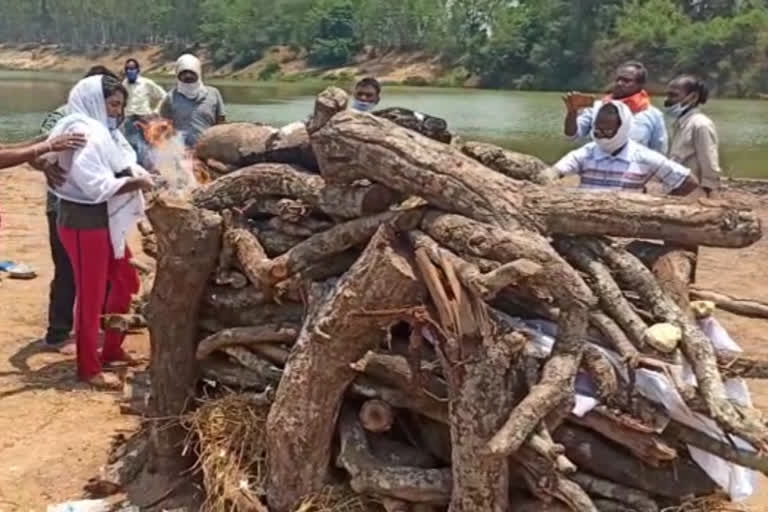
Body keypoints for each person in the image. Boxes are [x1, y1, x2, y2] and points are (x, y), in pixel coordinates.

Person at [46, 74, 154, 389]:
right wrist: (140, 183)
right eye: (113, 104)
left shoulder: (101, 129)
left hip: (104, 220)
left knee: (125, 279)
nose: (117, 112)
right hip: (83, 221)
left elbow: (120, 162)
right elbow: (95, 186)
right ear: (95, 100)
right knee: (91, 295)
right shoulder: (83, 131)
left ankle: (111, 348)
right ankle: (88, 367)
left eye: (121, 106)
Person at [35, 65, 120, 351]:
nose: (114, 108)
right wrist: (46, 164)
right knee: (67, 270)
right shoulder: (63, 117)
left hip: (101, 206)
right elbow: (38, 150)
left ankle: (96, 327)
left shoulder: (110, 118)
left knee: (105, 270)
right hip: (63, 207)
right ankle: (58, 332)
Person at [553, 101, 698, 196]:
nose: (601, 136)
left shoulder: (643, 156)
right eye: (598, 130)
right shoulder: (585, 153)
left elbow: (688, 181)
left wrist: (661, 206)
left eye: (608, 131)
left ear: (622, 129)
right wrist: (549, 175)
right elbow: (557, 171)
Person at [563, 61, 667, 153]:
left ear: (640, 85)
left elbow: (659, 151)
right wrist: (572, 112)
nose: (619, 83)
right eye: (618, 79)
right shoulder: (597, 107)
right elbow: (572, 135)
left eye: (626, 81)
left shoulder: (653, 114)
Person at [665, 75, 721, 197]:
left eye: (674, 95)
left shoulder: (700, 124)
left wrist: (710, 193)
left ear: (693, 97)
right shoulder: (679, 124)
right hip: (676, 191)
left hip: (694, 194)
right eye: (668, 95)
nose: (668, 100)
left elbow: (709, 164)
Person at [159, 54, 225, 147]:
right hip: (181, 150)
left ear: (198, 72)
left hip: (209, 148)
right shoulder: (170, 97)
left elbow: (221, 122)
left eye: (191, 72)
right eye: (184, 72)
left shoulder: (213, 94)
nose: (188, 76)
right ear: (178, 74)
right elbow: (164, 125)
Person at [122, 58, 166, 166]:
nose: (129, 71)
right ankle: (137, 168)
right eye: (127, 69)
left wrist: (156, 111)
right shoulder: (122, 85)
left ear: (137, 70)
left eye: (132, 68)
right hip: (129, 120)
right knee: (132, 145)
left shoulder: (146, 83)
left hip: (145, 119)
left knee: (149, 145)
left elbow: (164, 96)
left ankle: (151, 168)